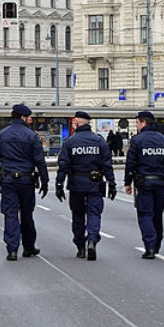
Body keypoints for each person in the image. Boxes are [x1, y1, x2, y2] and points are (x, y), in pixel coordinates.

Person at [0, 104, 49, 261]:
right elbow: (40, 160)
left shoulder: (2, 134)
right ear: (23, 117)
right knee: (27, 214)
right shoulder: (31, 135)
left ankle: (12, 249)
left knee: (10, 214)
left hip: (8, 179)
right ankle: (28, 247)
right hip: (26, 180)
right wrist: (45, 181)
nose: (30, 120)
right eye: (28, 117)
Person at [55, 111, 117, 260]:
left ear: (77, 124)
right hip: (95, 183)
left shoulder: (70, 142)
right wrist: (112, 183)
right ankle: (92, 240)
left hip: (76, 184)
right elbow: (107, 164)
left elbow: (63, 165)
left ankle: (80, 246)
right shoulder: (99, 140)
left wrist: (59, 184)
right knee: (94, 213)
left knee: (78, 215)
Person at [124, 111, 164, 259]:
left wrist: (128, 182)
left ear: (144, 122)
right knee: (157, 215)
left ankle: (150, 246)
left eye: (137, 123)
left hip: (144, 183)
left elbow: (130, 163)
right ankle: (157, 243)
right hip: (161, 182)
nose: (136, 126)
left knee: (145, 214)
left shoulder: (137, 141)